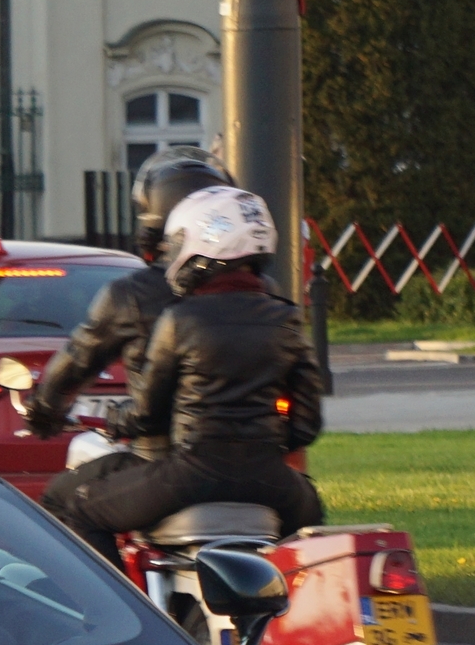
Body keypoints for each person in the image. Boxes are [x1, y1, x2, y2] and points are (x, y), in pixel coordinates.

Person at [42, 185, 326, 566]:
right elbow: (307, 425)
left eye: (178, 242)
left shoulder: (180, 320)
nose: (174, 253)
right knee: (314, 527)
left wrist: (113, 419)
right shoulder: (287, 319)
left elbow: (147, 415)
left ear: (208, 242)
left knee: (79, 509)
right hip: (271, 482)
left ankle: (123, 615)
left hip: (191, 475)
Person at [24, 146, 229, 449]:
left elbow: (79, 359)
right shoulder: (260, 290)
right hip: (257, 462)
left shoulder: (132, 295)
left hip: (163, 457)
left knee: (62, 495)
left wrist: (44, 406)